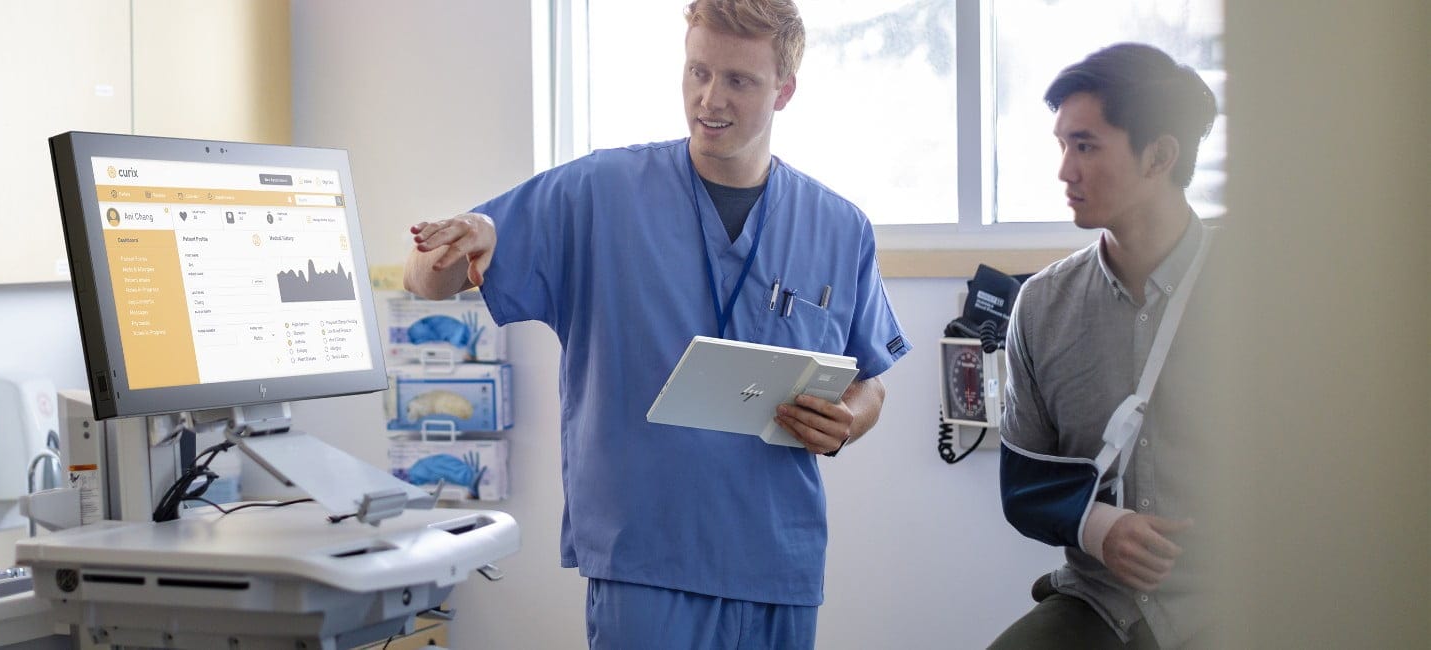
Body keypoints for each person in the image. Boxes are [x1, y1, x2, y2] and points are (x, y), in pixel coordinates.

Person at [405, 0, 910, 647]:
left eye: (738, 80)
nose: (709, 99)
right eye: (697, 72)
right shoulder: (600, 193)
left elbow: (871, 381)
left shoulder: (839, 227)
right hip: (645, 558)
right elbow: (427, 281)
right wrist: (446, 247)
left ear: (784, 90)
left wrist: (850, 422)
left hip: (777, 558)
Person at [991, 43, 1221, 649]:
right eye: (1062, 145)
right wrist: (1099, 526)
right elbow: (1021, 484)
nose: (1065, 170)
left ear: (1160, 156)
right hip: (1100, 602)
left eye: (1085, 145)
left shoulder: (1266, 293)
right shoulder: (1042, 307)